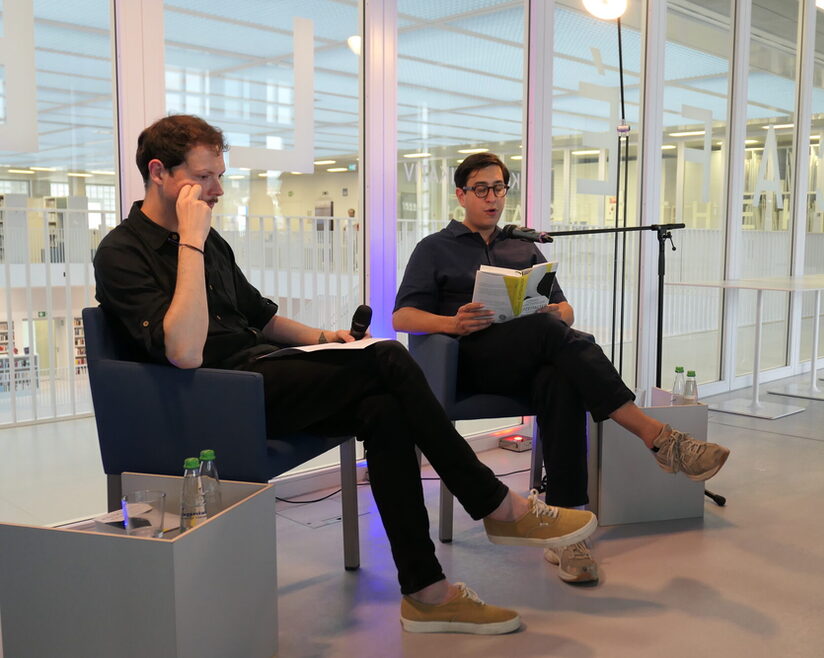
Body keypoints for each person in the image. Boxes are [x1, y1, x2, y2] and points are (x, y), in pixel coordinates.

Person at [93, 115, 599, 635]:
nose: (218, 190)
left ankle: (426, 592)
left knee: (383, 409)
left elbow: (261, 317)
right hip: (213, 398)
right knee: (390, 359)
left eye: (220, 175)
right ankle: (496, 504)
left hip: (262, 373)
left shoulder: (214, 242)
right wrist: (191, 243)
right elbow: (184, 351)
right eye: (204, 177)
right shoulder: (122, 252)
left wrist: (323, 338)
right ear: (159, 172)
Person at [392, 152, 731, 585]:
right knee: (557, 340)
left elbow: (565, 308)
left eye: (499, 188)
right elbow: (402, 317)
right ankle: (658, 436)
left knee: (560, 375)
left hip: (528, 355)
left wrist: (557, 313)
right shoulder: (434, 248)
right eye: (481, 189)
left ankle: (569, 527)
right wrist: (453, 323)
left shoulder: (522, 246)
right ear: (461, 195)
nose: (492, 198)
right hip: (468, 363)